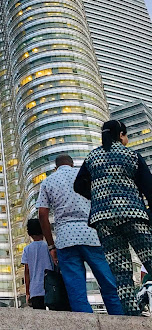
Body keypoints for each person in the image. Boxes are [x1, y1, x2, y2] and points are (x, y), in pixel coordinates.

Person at [74, 119, 152, 316]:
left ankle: (132, 313)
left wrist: (100, 197)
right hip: (133, 214)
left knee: (120, 270)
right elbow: (149, 188)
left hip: (104, 220)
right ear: (120, 135)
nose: (126, 139)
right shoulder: (131, 156)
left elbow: (78, 185)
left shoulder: (92, 157)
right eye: (125, 135)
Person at [37, 154, 123, 314]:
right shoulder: (86, 176)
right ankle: (119, 319)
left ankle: (88, 329)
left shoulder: (48, 181)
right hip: (91, 235)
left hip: (65, 239)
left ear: (56, 167)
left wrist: (51, 245)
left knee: (76, 292)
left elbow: (42, 214)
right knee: (108, 282)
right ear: (72, 164)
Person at [22, 218, 53, 309]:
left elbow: (27, 272)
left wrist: (27, 292)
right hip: (51, 287)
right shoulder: (49, 246)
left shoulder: (27, 249)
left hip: (35, 290)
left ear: (29, 233)